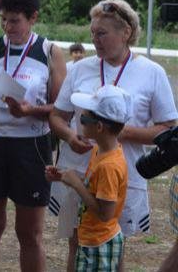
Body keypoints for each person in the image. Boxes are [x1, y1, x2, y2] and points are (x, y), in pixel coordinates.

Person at [49, 0, 178, 272]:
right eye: (93, 33)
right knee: (77, 241)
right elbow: (57, 117)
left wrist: (120, 131)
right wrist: (71, 137)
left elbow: (168, 129)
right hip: (78, 168)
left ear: (126, 33)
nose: (95, 40)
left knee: (112, 244)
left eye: (102, 33)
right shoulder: (80, 68)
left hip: (121, 175)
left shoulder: (151, 72)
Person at [0, 0, 66, 272]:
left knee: (30, 234)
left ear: (32, 17)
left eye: (15, 20)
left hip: (31, 145)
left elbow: (61, 109)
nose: (7, 27)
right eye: (3, 19)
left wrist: (29, 111)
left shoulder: (49, 52)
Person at [46, 85, 130, 271]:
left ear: (99, 127)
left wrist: (76, 185)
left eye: (83, 119)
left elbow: (105, 214)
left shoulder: (109, 165)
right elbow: (93, 186)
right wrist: (63, 177)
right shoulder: (99, 150)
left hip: (100, 243)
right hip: (91, 238)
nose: (78, 122)